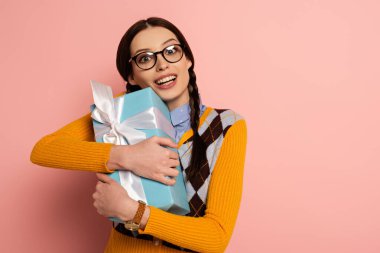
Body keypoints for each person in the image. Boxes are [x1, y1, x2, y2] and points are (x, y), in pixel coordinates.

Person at [30, 17, 247, 253]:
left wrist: (134, 212)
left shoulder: (225, 126)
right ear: (131, 76)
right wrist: (127, 156)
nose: (162, 65)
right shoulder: (118, 113)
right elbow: (44, 149)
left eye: (171, 51)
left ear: (187, 59)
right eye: (145, 58)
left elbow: (216, 238)